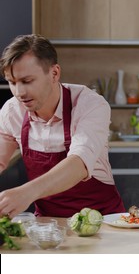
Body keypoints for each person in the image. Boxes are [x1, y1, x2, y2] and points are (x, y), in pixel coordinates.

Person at [0, 34, 125, 218]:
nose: (19, 92)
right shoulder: (12, 111)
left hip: (103, 223)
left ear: (54, 73)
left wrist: (25, 193)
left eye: (27, 81)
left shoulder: (90, 104)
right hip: (48, 228)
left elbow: (79, 163)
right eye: (12, 82)